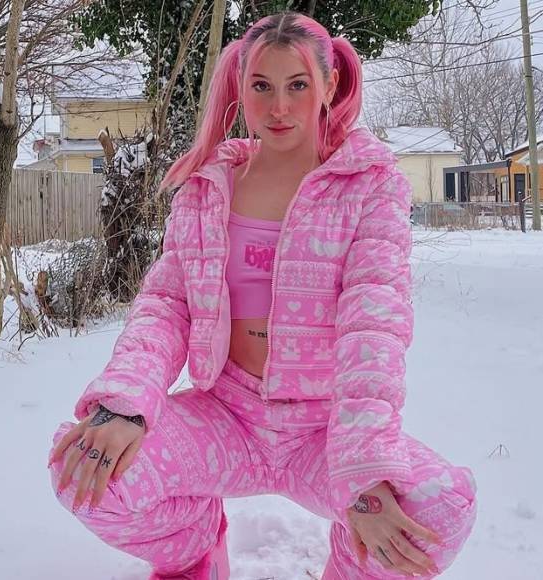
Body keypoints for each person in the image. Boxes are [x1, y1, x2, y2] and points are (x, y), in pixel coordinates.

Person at [48, 11, 477, 580]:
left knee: (438, 510)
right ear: (240, 87)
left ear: (330, 86)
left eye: (297, 85)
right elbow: (166, 308)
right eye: (261, 86)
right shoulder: (207, 187)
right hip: (226, 416)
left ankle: (350, 568)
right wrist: (124, 407)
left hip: (323, 430)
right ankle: (195, 549)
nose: (279, 107)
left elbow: (373, 329)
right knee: (84, 468)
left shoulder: (370, 188)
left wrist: (365, 468)